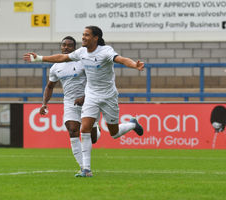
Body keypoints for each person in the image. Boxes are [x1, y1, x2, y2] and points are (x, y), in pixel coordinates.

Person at [24, 26, 144, 177]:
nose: (83, 37)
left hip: (108, 96)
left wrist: (134, 65)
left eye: (86, 35)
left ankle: (132, 124)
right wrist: (40, 58)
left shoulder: (106, 51)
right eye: (83, 34)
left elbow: (121, 59)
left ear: (96, 38)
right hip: (90, 96)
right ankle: (86, 169)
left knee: (113, 133)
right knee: (82, 130)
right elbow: (61, 58)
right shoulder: (81, 53)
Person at [39, 36, 100, 173]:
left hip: (89, 101)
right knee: (73, 130)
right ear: (61, 47)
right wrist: (44, 104)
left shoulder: (83, 62)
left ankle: (97, 128)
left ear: (75, 48)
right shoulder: (56, 67)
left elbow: (95, 82)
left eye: (70, 45)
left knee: (93, 138)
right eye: (64, 45)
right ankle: (84, 168)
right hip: (69, 102)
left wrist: (85, 97)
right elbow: (50, 86)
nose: (66, 47)